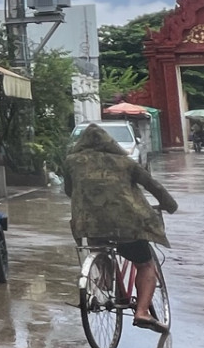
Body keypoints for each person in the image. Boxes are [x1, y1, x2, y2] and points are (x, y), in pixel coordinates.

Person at [65, 123, 178, 331]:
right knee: (145, 264)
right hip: (127, 225)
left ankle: (106, 281)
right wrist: (170, 205)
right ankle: (142, 312)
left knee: (98, 246)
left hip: (89, 225)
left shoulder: (72, 162)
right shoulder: (125, 162)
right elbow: (152, 185)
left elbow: (68, 191)